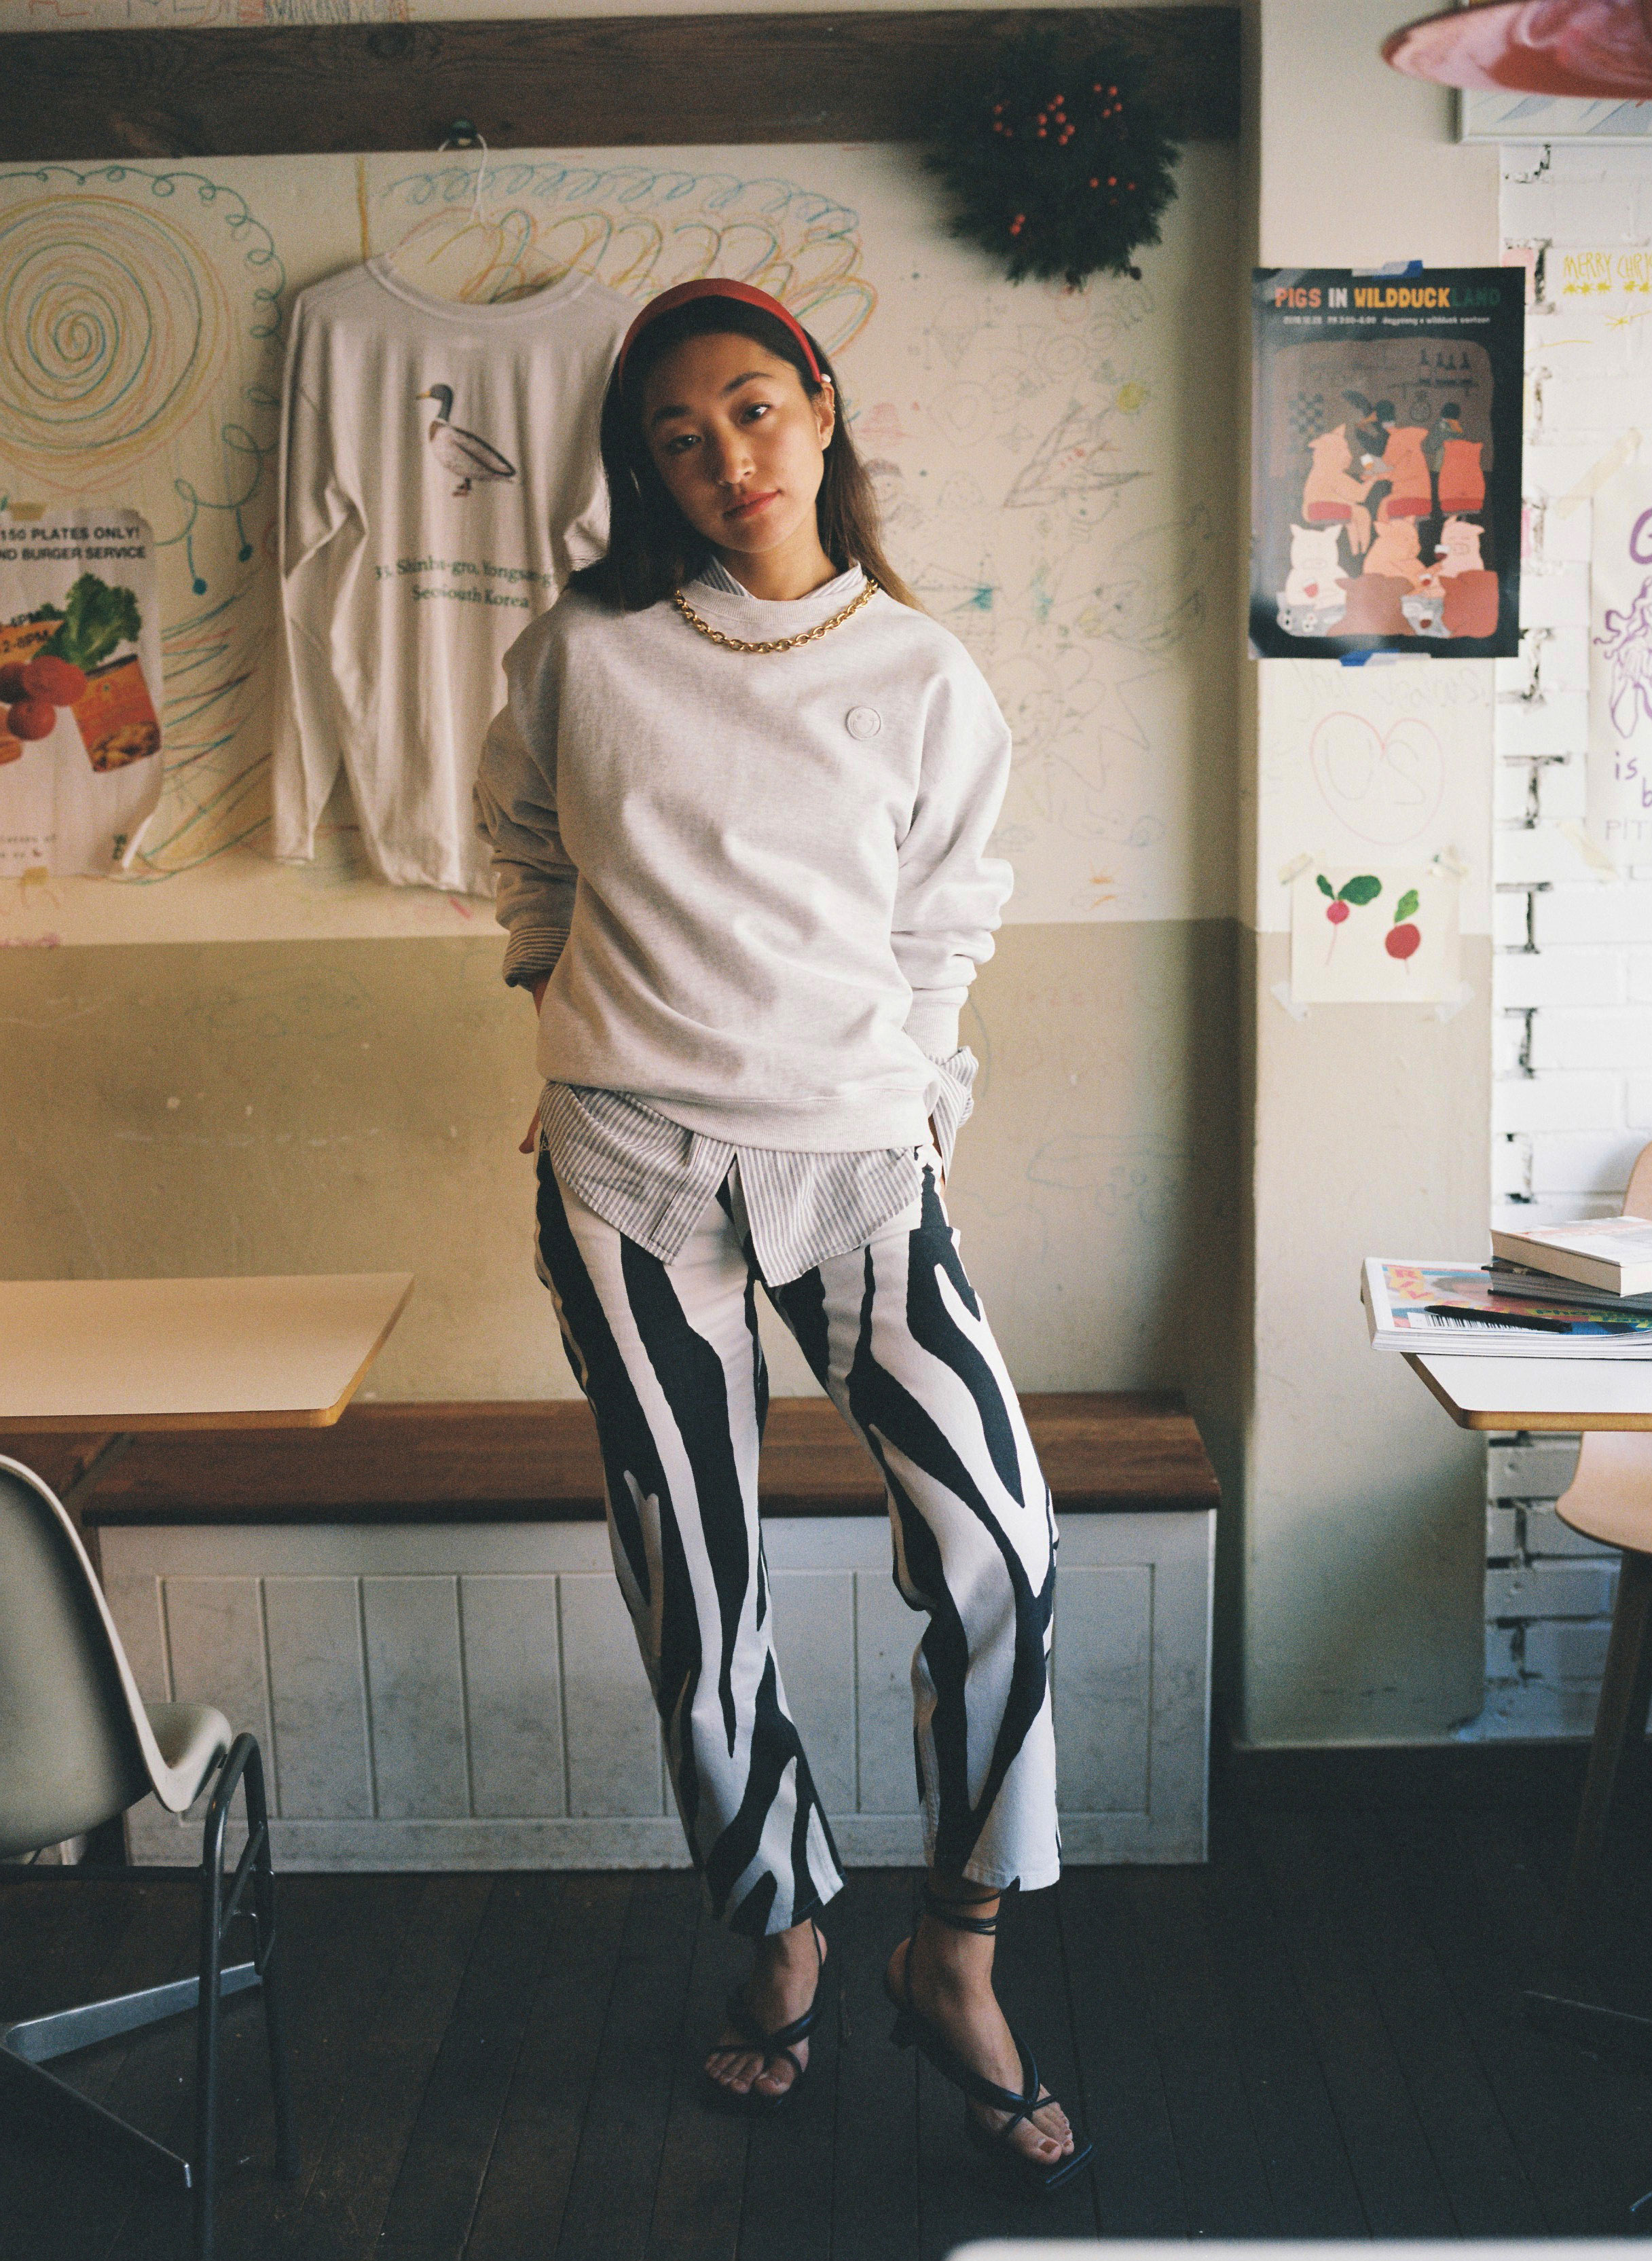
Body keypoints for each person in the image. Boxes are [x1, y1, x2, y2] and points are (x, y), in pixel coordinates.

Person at [474, 277, 1090, 2194]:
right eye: (678, 436)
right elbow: (522, 846)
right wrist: (559, 1008)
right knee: (697, 1585)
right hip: (629, 1168)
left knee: (1002, 1549)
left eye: (751, 407)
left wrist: (921, 1104)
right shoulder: (583, 651)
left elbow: (944, 919)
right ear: (644, 470)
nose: (726, 456)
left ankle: (953, 1948)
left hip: (860, 1164)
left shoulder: (920, 671)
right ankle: (780, 1927)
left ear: (820, 407)